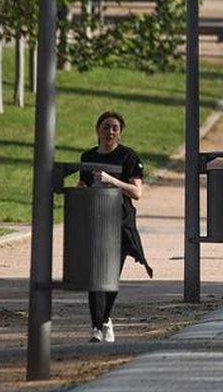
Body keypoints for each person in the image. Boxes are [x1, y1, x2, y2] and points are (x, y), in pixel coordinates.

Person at [78, 110, 153, 343]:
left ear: (119, 133)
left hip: (120, 222)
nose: (110, 131)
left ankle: (106, 319)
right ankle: (96, 328)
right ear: (97, 129)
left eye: (114, 128)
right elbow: (81, 184)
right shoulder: (87, 156)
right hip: (95, 221)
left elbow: (137, 192)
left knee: (110, 275)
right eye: (106, 127)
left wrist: (112, 181)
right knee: (94, 277)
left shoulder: (128, 157)